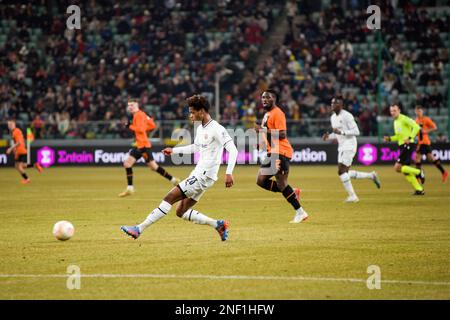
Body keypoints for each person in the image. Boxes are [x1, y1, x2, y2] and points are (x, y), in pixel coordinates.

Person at [121, 94, 238, 241]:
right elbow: (196, 147)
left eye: (192, 112)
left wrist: (229, 173)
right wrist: (174, 150)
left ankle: (139, 229)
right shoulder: (201, 128)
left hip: (203, 175)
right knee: (181, 211)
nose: (190, 115)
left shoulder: (217, 128)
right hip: (201, 174)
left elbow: (233, 150)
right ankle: (218, 225)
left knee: (169, 197)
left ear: (201, 111)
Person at [254, 90, 308, 223]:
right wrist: (260, 142)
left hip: (280, 152)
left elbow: (282, 134)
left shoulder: (278, 113)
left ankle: (300, 212)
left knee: (281, 183)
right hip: (272, 151)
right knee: (261, 180)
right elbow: (266, 133)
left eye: (268, 97)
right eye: (262, 97)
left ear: (274, 99)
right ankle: (293, 192)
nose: (264, 99)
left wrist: (262, 130)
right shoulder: (267, 115)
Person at [322, 96, 381, 203]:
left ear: (341, 105)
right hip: (342, 146)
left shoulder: (347, 116)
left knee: (341, 171)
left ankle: (353, 196)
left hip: (349, 145)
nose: (332, 105)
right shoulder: (333, 118)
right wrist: (329, 137)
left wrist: (342, 132)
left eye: (335, 103)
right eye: (331, 103)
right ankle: (371, 175)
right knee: (345, 173)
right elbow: (337, 134)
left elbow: (357, 131)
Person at [118, 99, 179, 197]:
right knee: (128, 163)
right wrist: (139, 128)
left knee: (153, 167)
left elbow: (141, 129)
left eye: (132, 105)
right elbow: (152, 125)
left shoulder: (138, 115)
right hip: (140, 145)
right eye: (129, 105)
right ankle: (130, 188)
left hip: (143, 146)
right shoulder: (142, 114)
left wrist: (130, 126)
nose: (130, 107)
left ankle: (173, 180)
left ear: (137, 105)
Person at [383, 105, 425, 195]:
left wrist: (410, 138)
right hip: (403, 146)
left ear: (399, 110)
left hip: (408, 145)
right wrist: (389, 139)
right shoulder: (396, 122)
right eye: (391, 111)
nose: (393, 113)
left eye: (394, 110)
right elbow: (399, 136)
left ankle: (419, 172)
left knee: (397, 167)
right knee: (405, 171)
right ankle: (419, 189)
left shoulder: (404, 118)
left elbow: (417, 127)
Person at [414, 105, 448, 182]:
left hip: (424, 142)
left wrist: (426, 131)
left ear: (422, 111)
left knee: (417, 158)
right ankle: (444, 172)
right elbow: (416, 132)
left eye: (420, 111)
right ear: (415, 112)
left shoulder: (426, 119)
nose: (418, 112)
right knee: (431, 158)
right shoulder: (416, 121)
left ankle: (417, 176)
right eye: (417, 111)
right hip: (422, 142)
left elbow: (435, 127)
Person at [6, 119, 43, 184]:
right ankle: (34, 165)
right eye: (9, 125)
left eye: (11, 124)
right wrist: (14, 149)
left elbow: (19, 142)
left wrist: (11, 149)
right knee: (20, 166)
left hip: (20, 150)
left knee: (18, 167)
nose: (10, 126)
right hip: (21, 150)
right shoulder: (16, 131)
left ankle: (27, 179)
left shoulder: (15, 132)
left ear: (14, 124)